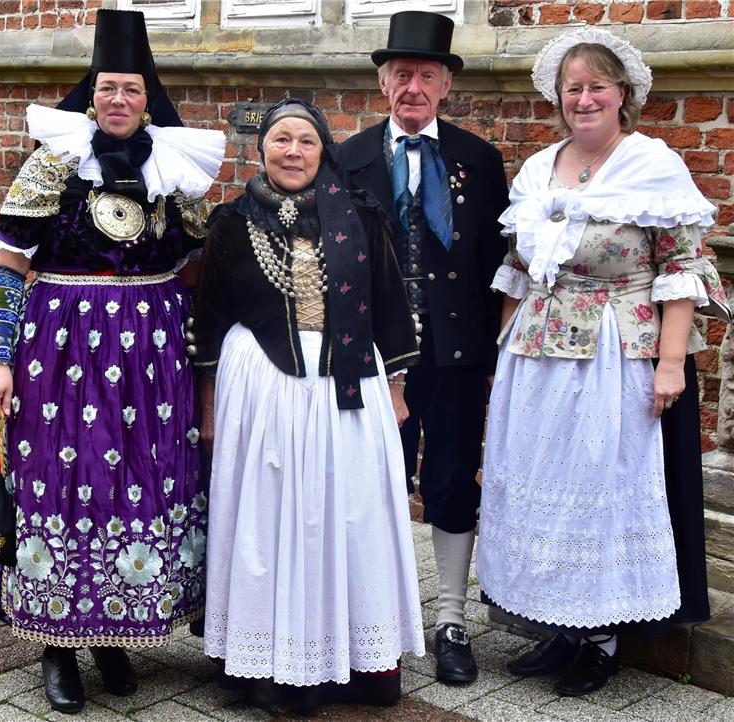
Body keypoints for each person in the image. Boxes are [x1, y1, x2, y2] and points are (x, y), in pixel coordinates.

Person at [0, 9, 224, 714]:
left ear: (150, 100)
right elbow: (6, 267)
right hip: (61, 352)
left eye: (133, 90)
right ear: (93, 94)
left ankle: (112, 631)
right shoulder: (53, 161)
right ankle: (57, 646)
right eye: (109, 88)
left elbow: (194, 265)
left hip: (151, 357)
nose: (120, 101)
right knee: (63, 480)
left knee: (135, 486)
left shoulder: (171, 168)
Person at [476, 27, 731, 697]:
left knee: (599, 489)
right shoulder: (538, 170)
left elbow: (683, 270)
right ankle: (563, 627)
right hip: (537, 355)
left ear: (623, 94)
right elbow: (517, 272)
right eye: (573, 89)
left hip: (616, 354)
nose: (584, 99)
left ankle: (603, 637)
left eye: (596, 87)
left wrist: (671, 364)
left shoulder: (653, 165)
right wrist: (502, 361)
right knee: (547, 488)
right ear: (559, 99)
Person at [194, 99, 425, 712]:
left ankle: (354, 657)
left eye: (306, 141)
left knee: (347, 514)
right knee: (268, 521)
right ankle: (268, 660)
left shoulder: (361, 219)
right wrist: (210, 407)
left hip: (347, 386)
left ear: (324, 151)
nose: (292, 152)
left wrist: (397, 391)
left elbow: (393, 306)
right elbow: (209, 320)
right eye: (280, 140)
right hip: (262, 389)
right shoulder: (230, 223)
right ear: (261, 149)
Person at [337, 11, 509, 685]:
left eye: (426, 76)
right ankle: (377, 620)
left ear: (445, 87)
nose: (413, 86)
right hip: (377, 359)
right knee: (376, 485)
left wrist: (494, 355)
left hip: (458, 354)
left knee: (449, 481)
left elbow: (498, 263)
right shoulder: (347, 158)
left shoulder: (478, 158)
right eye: (401, 74)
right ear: (384, 84)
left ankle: (451, 619)